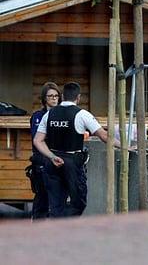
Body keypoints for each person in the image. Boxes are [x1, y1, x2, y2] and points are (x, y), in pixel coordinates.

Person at [33, 81, 121, 218]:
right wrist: (124, 145)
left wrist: (51, 156)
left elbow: (37, 140)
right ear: (78, 97)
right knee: (78, 202)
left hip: (53, 162)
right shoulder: (82, 114)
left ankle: (58, 230)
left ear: (62, 95)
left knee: (56, 206)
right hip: (72, 163)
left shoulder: (49, 114)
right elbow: (104, 136)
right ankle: (67, 227)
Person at [28, 81, 61, 220]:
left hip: (58, 158)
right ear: (44, 99)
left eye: (56, 96)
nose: (54, 98)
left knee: (58, 196)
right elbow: (38, 138)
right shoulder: (38, 116)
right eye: (50, 96)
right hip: (42, 159)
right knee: (42, 196)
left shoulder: (62, 115)